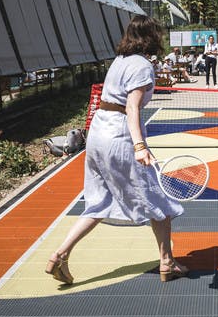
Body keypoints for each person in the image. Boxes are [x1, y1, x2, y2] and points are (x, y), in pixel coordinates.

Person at [46, 15, 188, 285]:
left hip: (99, 133)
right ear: (151, 36)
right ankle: (167, 262)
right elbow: (132, 107)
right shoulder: (143, 66)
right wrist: (139, 146)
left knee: (99, 202)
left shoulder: (119, 61)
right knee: (159, 201)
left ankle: (59, 255)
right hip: (119, 136)